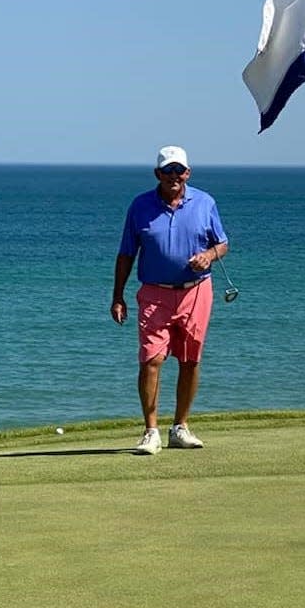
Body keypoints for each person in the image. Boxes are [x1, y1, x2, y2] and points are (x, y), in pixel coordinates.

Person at [111, 146, 229, 454]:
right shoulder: (140, 206)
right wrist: (117, 296)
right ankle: (151, 431)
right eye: (168, 171)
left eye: (179, 170)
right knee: (151, 360)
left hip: (196, 291)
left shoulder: (205, 203)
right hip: (154, 292)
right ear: (157, 174)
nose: (174, 176)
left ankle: (181, 427)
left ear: (188, 173)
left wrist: (208, 256)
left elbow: (223, 244)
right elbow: (126, 253)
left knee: (190, 360)